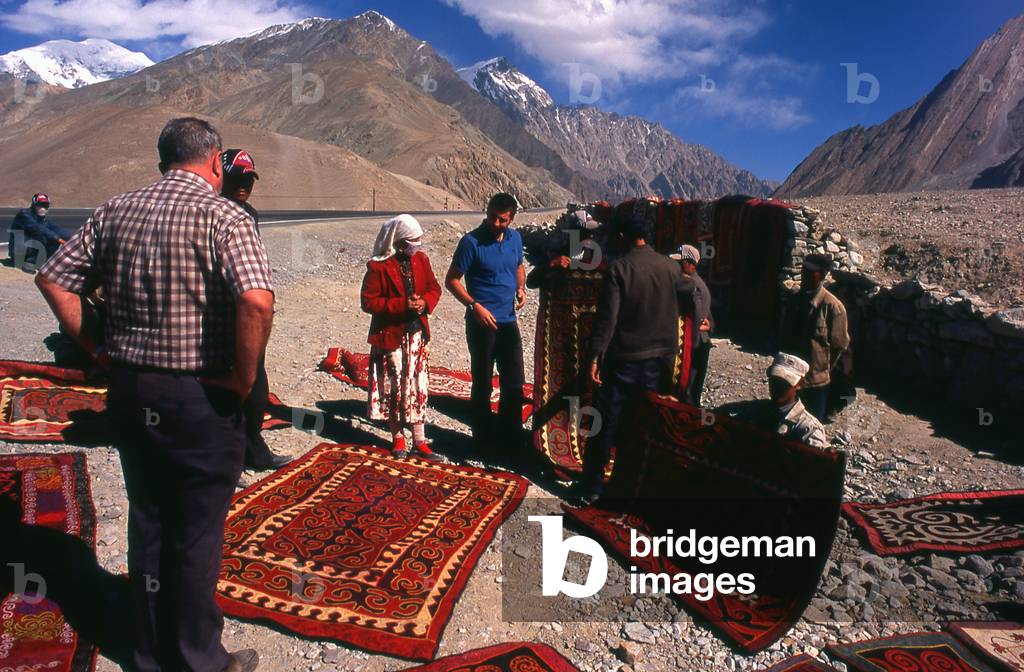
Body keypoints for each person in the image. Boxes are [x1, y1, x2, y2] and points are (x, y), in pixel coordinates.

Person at [35, 117, 272, 672]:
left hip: (131, 391)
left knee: (148, 521)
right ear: (214, 161)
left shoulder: (114, 210)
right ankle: (197, 658)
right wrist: (242, 381)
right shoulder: (225, 216)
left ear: (162, 160)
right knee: (195, 531)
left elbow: (52, 279)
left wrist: (96, 348)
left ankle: (146, 654)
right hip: (199, 397)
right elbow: (257, 302)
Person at [582, 213, 692, 503]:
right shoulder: (671, 267)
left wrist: (594, 355)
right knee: (645, 421)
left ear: (622, 238)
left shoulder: (620, 269)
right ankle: (636, 484)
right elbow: (690, 293)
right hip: (661, 360)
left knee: (606, 421)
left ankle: (593, 486)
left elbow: (608, 319)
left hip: (626, 359)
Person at [219, 148, 289, 471]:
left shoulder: (250, 214)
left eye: (248, 179)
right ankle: (230, 459)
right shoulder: (213, 212)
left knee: (256, 385)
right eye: (236, 178)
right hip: (222, 313)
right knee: (230, 387)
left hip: (248, 310)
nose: (243, 185)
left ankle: (252, 449)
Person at [445, 193, 527, 454]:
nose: (495, 223)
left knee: (514, 381)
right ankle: (482, 440)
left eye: (502, 220)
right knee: (483, 382)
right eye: (492, 217)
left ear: (511, 219)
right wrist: (474, 306)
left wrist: (521, 288)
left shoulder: (515, 239)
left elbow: (518, 266)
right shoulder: (471, 242)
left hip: (508, 320)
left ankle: (510, 435)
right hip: (481, 323)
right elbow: (452, 280)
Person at [360, 214, 443, 458]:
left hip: (416, 335)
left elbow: (434, 288)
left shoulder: (421, 260)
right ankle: (398, 438)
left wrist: (424, 303)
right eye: (412, 241)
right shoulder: (378, 266)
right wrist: (401, 305)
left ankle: (419, 439)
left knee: (418, 384)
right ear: (399, 242)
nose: (417, 245)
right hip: (391, 335)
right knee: (394, 384)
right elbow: (368, 302)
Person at [778, 253, 850, 422]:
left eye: (810, 272)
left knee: (811, 424)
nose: (804, 275)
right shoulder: (795, 300)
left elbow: (839, 345)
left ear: (822, 276)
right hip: (790, 376)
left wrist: (823, 370)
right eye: (804, 270)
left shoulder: (832, 306)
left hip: (815, 382)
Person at [671, 243, 714, 406]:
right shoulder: (698, 283)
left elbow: (697, 316)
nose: (677, 266)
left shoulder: (691, 286)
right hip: (701, 341)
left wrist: (695, 330)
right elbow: (709, 318)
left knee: (686, 391)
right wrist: (707, 326)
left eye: (680, 263)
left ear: (692, 265)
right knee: (692, 391)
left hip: (694, 344)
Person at [767, 353, 828, 449]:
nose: (778, 386)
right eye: (774, 380)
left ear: (800, 384)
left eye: (785, 383)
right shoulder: (755, 410)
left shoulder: (809, 429)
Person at [8, 193, 69, 268]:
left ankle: (42, 261)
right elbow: (38, 228)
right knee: (43, 235)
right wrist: (59, 239)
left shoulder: (43, 220)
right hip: (18, 251)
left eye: (45, 205)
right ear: (34, 205)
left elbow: (58, 230)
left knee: (53, 238)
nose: (42, 208)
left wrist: (73, 238)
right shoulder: (24, 214)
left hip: (30, 248)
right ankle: (32, 261)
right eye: (40, 205)